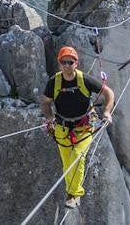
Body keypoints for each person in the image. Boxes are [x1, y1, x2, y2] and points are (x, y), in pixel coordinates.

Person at [40, 45, 115, 210]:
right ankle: (72, 192)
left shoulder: (84, 79)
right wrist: (50, 117)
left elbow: (108, 93)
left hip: (84, 126)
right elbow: (45, 103)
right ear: (59, 64)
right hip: (62, 127)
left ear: (76, 63)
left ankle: (74, 194)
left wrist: (107, 112)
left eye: (70, 62)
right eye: (64, 62)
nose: (67, 65)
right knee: (67, 163)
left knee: (77, 156)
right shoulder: (54, 82)